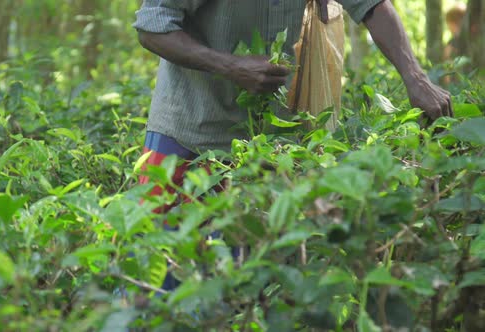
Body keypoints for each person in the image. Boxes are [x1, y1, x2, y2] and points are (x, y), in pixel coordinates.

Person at [134, 0, 453, 206]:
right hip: (188, 135)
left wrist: (416, 78)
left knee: (254, 287)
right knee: (162, 278)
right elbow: (152, 26)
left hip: (271, 143)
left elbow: (372, 6)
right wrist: (230, 66)